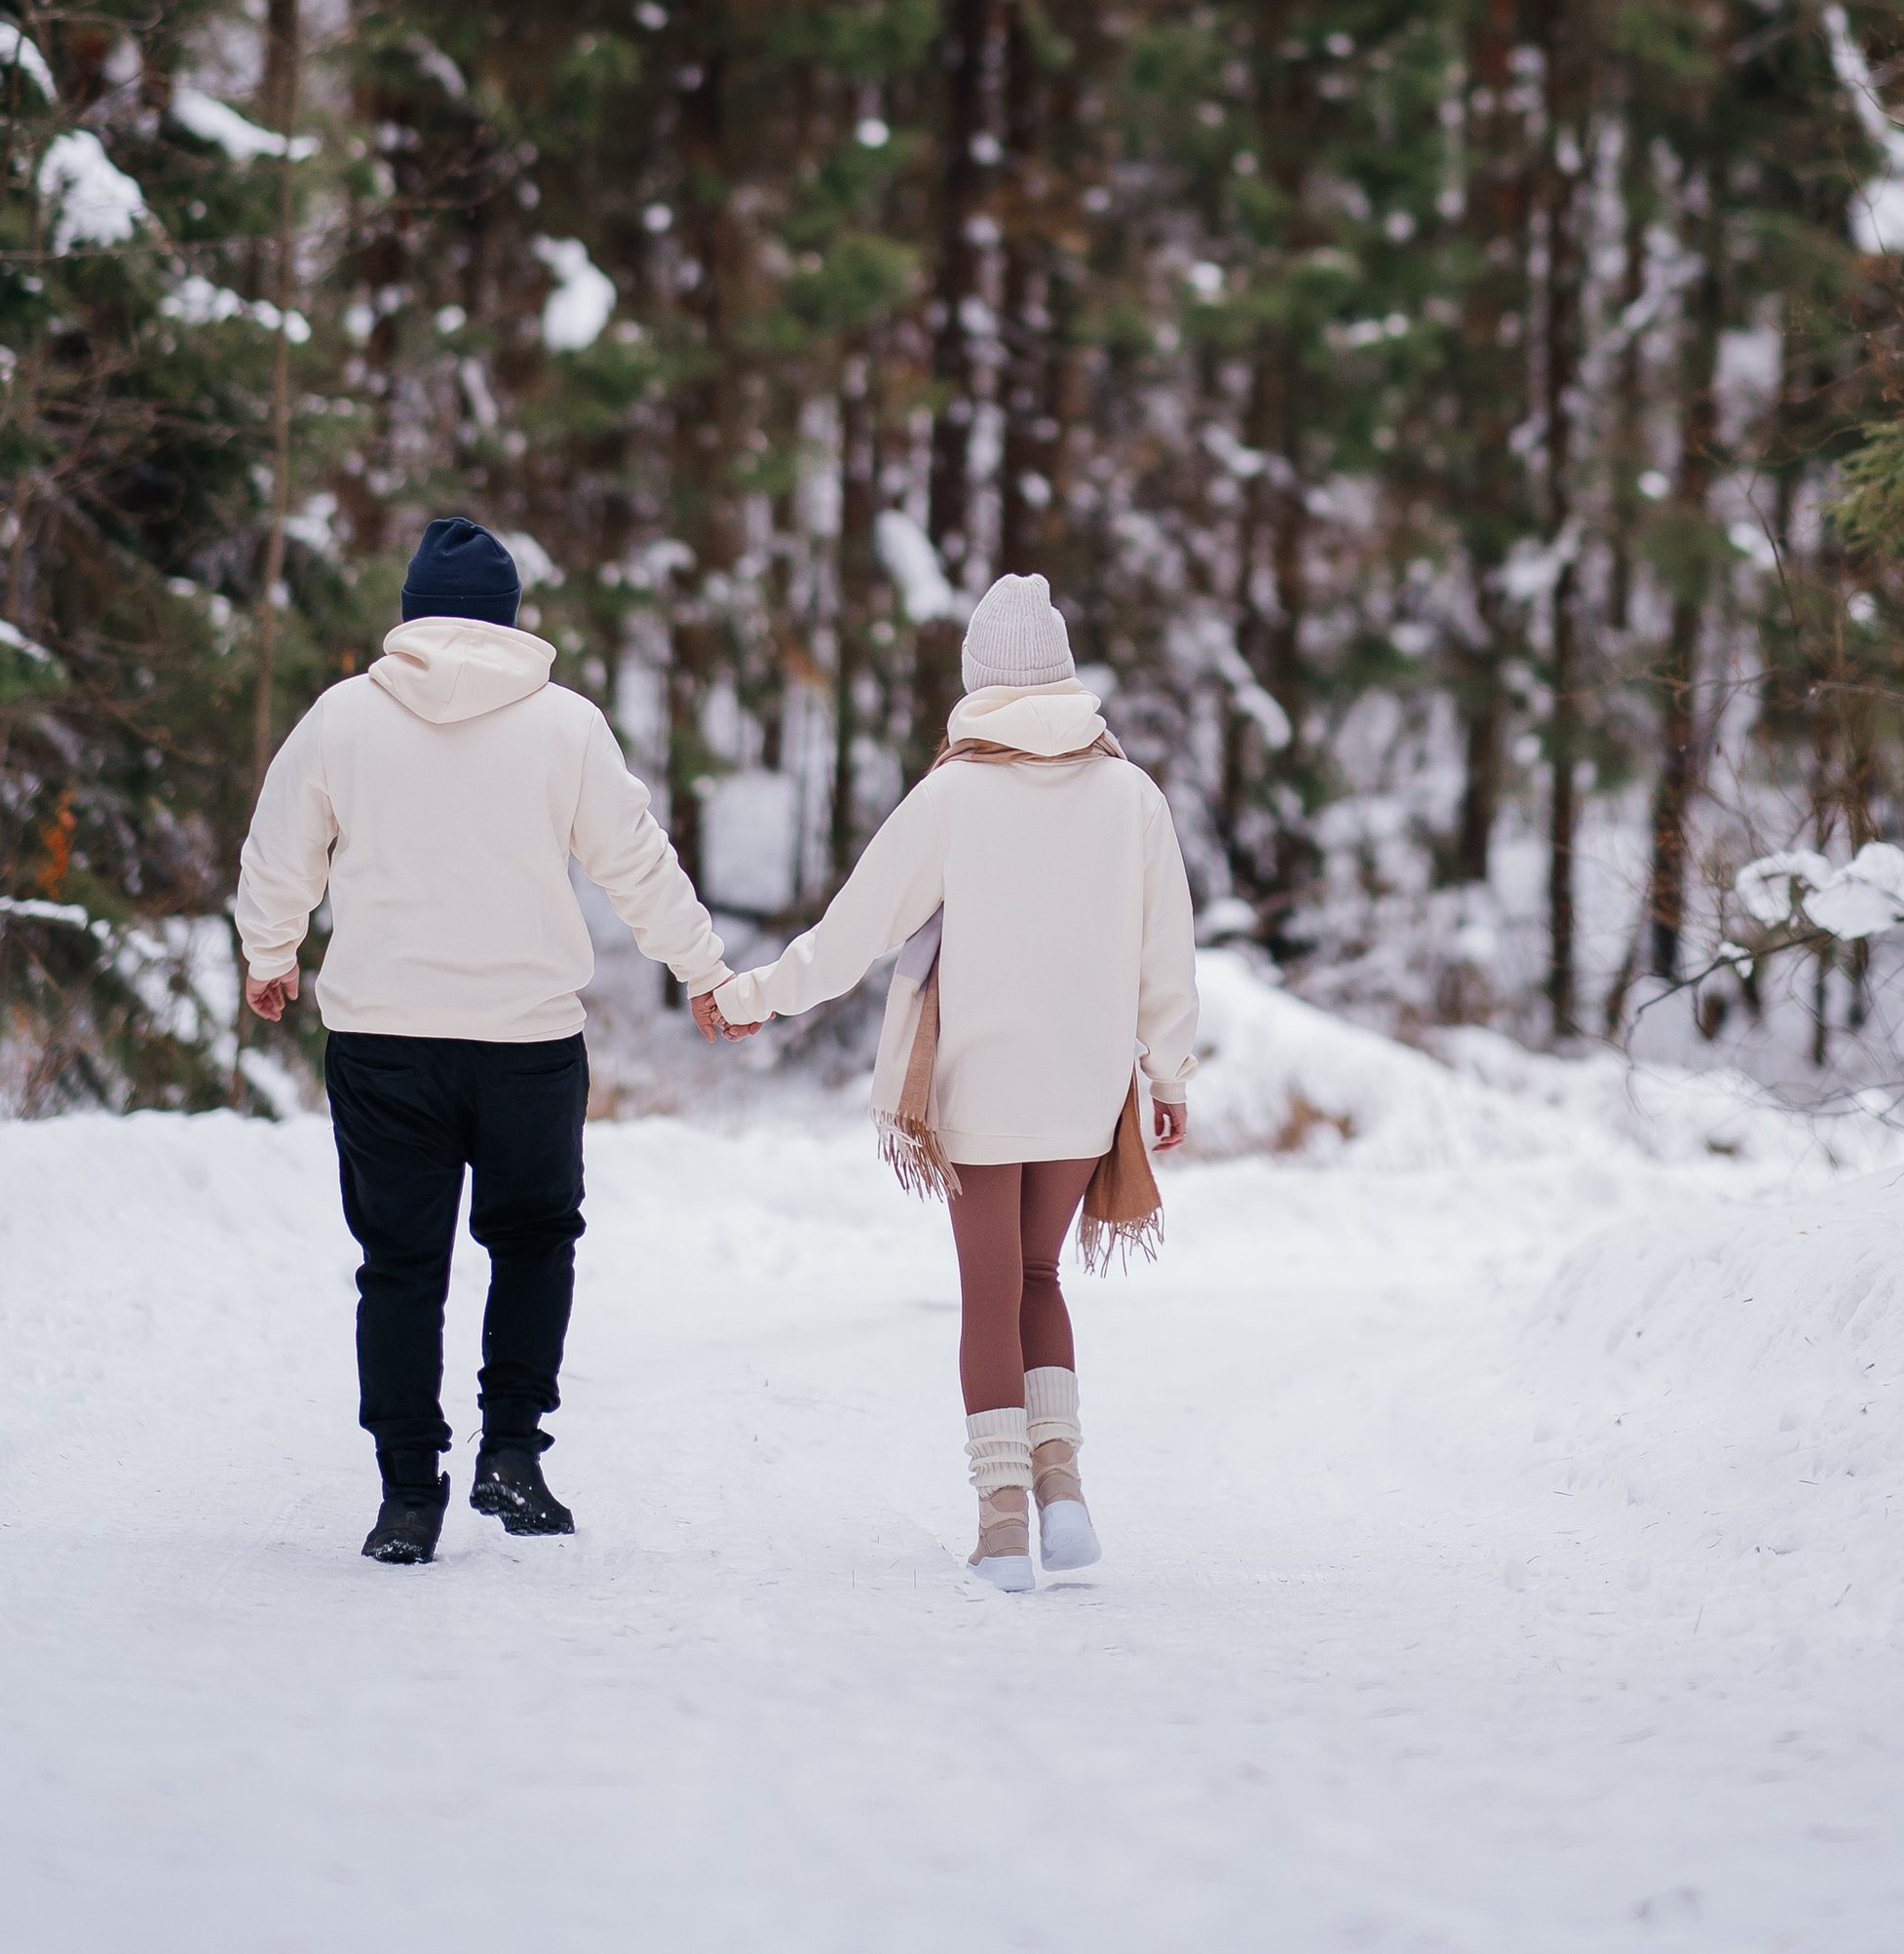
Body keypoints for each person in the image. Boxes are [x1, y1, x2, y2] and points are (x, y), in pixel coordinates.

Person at [234, 512, 749, 1565]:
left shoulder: (343, 718)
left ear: (412, 616)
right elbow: (636, 863)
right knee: (530, 1244)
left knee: (400, 1265)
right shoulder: (565, 725)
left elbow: (278, 844)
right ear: (511, 622)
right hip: (525, 1043)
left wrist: (271, 954)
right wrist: (702, 971)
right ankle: (510, 1452)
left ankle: (405, 1495)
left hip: (383, 1043)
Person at [713, 571, 1198, 1591]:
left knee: (988, 1290)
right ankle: (1063, 1491)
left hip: (979, 1084)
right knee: (1038, 1279)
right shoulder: (1131, 794)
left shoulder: (953, 794)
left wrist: (758, 993)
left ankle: (1001, 1523)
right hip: (1083, 1087)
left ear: (979, 683)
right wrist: (1168, 1073)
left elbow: (854, 931)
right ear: (1063, 678)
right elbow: (1167, 953)